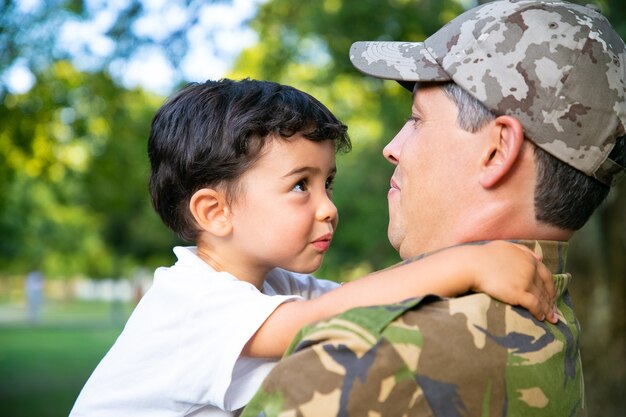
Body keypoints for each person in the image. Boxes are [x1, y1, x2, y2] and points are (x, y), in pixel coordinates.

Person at [69, 78, 554, 417]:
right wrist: (465, 263)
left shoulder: (278, 284)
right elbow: (310, 322)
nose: (328, 209)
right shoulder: (190, 301)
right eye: (301, 185)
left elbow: (365, 297)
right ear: (216, 211)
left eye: (328, 185)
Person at [241, 1, 626, 416]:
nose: (392, 148)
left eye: (417, 119)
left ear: (497, 151)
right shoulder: (554, 319)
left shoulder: (364, 360)